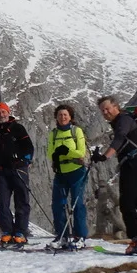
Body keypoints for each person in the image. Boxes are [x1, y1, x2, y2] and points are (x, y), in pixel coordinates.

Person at [91, 95, 137, 257]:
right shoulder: (124, 120)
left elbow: (120, 138)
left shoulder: (124, 119)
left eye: (107, 108)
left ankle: (136, 242)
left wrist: (104, 156)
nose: (105, 112)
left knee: (127, 204)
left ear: (116, 106)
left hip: (132, 166)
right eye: (102, 111)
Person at [0, 102, 34, 244]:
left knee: (22, 201)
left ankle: (20, 232)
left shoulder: (18, 128)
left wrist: (25, 160)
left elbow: (29, 147)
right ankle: (7, 231)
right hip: (2, 172)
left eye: (3, 112)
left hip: (18, 169)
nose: (1, 115)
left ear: (8, 112)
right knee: (1, 202)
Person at [46, 104, 88, 250]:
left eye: (65, 115)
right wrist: (65, 153)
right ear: (56, 117)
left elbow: (80, 153)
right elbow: (50, 154)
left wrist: (64, 151)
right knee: (58, 204)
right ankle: (62, 235)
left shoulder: (77, 131)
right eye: (59, 115)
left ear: (70, 117)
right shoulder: (54, 133)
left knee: (77, 204)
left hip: (77, 171)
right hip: (60, 173)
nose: (62, 117)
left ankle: (80, 236)